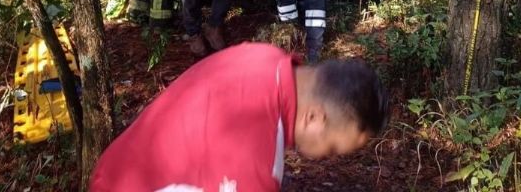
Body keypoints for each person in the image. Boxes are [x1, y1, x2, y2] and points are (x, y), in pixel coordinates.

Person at [89, 42, 391, 192]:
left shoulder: (266, 57)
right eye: (334, 148)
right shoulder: (253, 162)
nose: (328, 157)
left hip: (116, 171)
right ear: (314, 118)